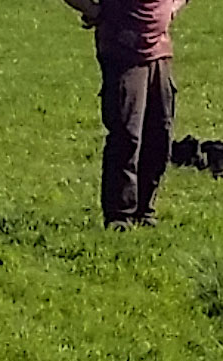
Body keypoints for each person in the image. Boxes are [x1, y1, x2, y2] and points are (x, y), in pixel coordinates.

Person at [62, 0, 185, 229]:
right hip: (122, 51)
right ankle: (120, 215)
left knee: (160, 134)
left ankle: (145, 210)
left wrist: (172, 7)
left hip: (160, 53)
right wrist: (94, 11)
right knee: (126, 135)